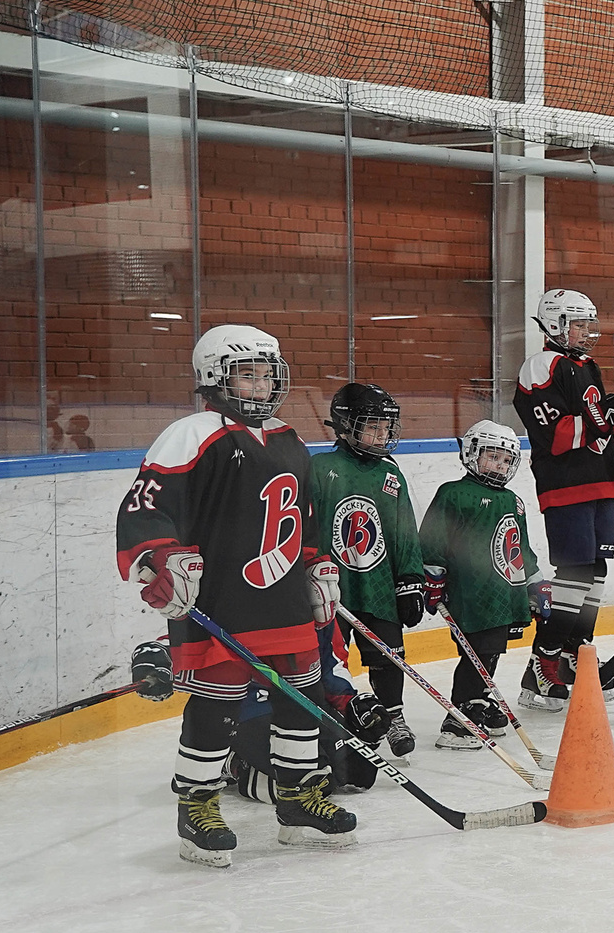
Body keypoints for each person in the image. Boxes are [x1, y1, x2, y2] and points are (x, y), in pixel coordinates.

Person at [116, 324, 355, 869]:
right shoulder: (192, 433)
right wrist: (163, 558)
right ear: (214, 378)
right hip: (220, 601)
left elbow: (305, 520)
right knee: (217, 706)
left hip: (285, 600)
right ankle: (196, 807)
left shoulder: (290, 438)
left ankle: (297, 800)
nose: (261, 384)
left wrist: (319, 566)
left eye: (267, 373)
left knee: (302, 700)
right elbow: (146, 507)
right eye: (247, 374)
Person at [512, 289, 614, 711]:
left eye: (588, 324)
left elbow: (598, 427)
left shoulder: (587, 366)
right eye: (579, 324)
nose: (587, 332)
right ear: (556, 323)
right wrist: (604, 419)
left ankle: (575, 651)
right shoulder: (540, 367)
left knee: (595, 571)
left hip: (599, 481)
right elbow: (558, 435)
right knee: (575, 572)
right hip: (565, 484)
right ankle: (543, 660)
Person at [305, 381, 425, 768]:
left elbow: (404, 530)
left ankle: (394, 715)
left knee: (389, 656)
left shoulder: (391, 475)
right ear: (344, 425)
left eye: (386, 427)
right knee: (329, 661)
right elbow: (304, 528)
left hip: (377, 587)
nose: (382, 434)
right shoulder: (320, 468)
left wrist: (410, 580)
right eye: (372, 425)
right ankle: (342, 719)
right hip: (329, 589)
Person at [417, 420, 541, 745]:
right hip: (469, 593)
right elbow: (432, 540)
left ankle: (479, 700)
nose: (499, 465)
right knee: (477, 654)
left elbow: (520, 548)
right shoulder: (454, 493)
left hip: (502, 594)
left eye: (505, 460)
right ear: (472, 453)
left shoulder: (513, 500)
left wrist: (535, 582)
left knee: (490, 653)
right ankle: (458, 720)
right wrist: (432, 577)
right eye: (492, 457)